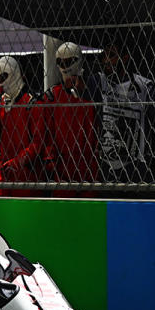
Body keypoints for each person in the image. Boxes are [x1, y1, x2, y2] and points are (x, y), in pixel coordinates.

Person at [88, 44, 155, 184]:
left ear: (125, 58)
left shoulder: (145, 86)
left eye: (111, 56)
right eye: (103, 56)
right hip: (106, 164)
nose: (106, 61)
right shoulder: (98, 82)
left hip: (137, 165)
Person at [0, 56, 47, 197]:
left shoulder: (32, 102)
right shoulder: (0, 102)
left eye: (3, 77)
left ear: (13, 73)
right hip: (5, 172)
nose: (1, 82)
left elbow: (38, 142)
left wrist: (18, 162)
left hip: (27, 173)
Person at [43, 42, 99, 197]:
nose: (64, 67)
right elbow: (47, 132)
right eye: (61, 62)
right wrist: (51, 160)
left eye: (68, 62)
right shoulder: (53, 96)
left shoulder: (94, 92)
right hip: (62, 168)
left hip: (89, 167)